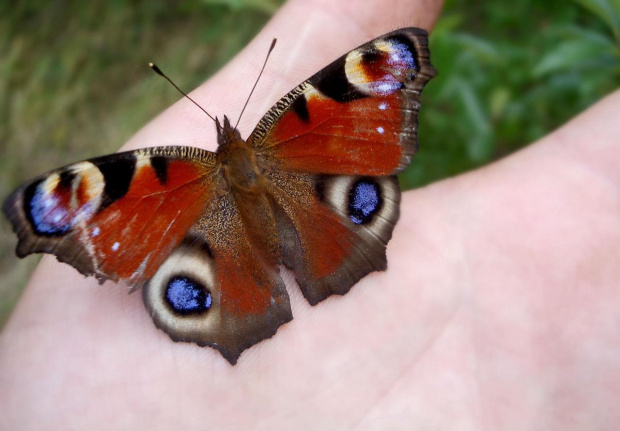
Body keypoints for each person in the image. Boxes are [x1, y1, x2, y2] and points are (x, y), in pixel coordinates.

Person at [2, 0, 619, 428]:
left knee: (175, 236)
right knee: (342, 191)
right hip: (314, 199)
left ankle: (260, 285)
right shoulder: (289, 126)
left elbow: (387, 64)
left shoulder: (162, 177)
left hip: (219, 241)